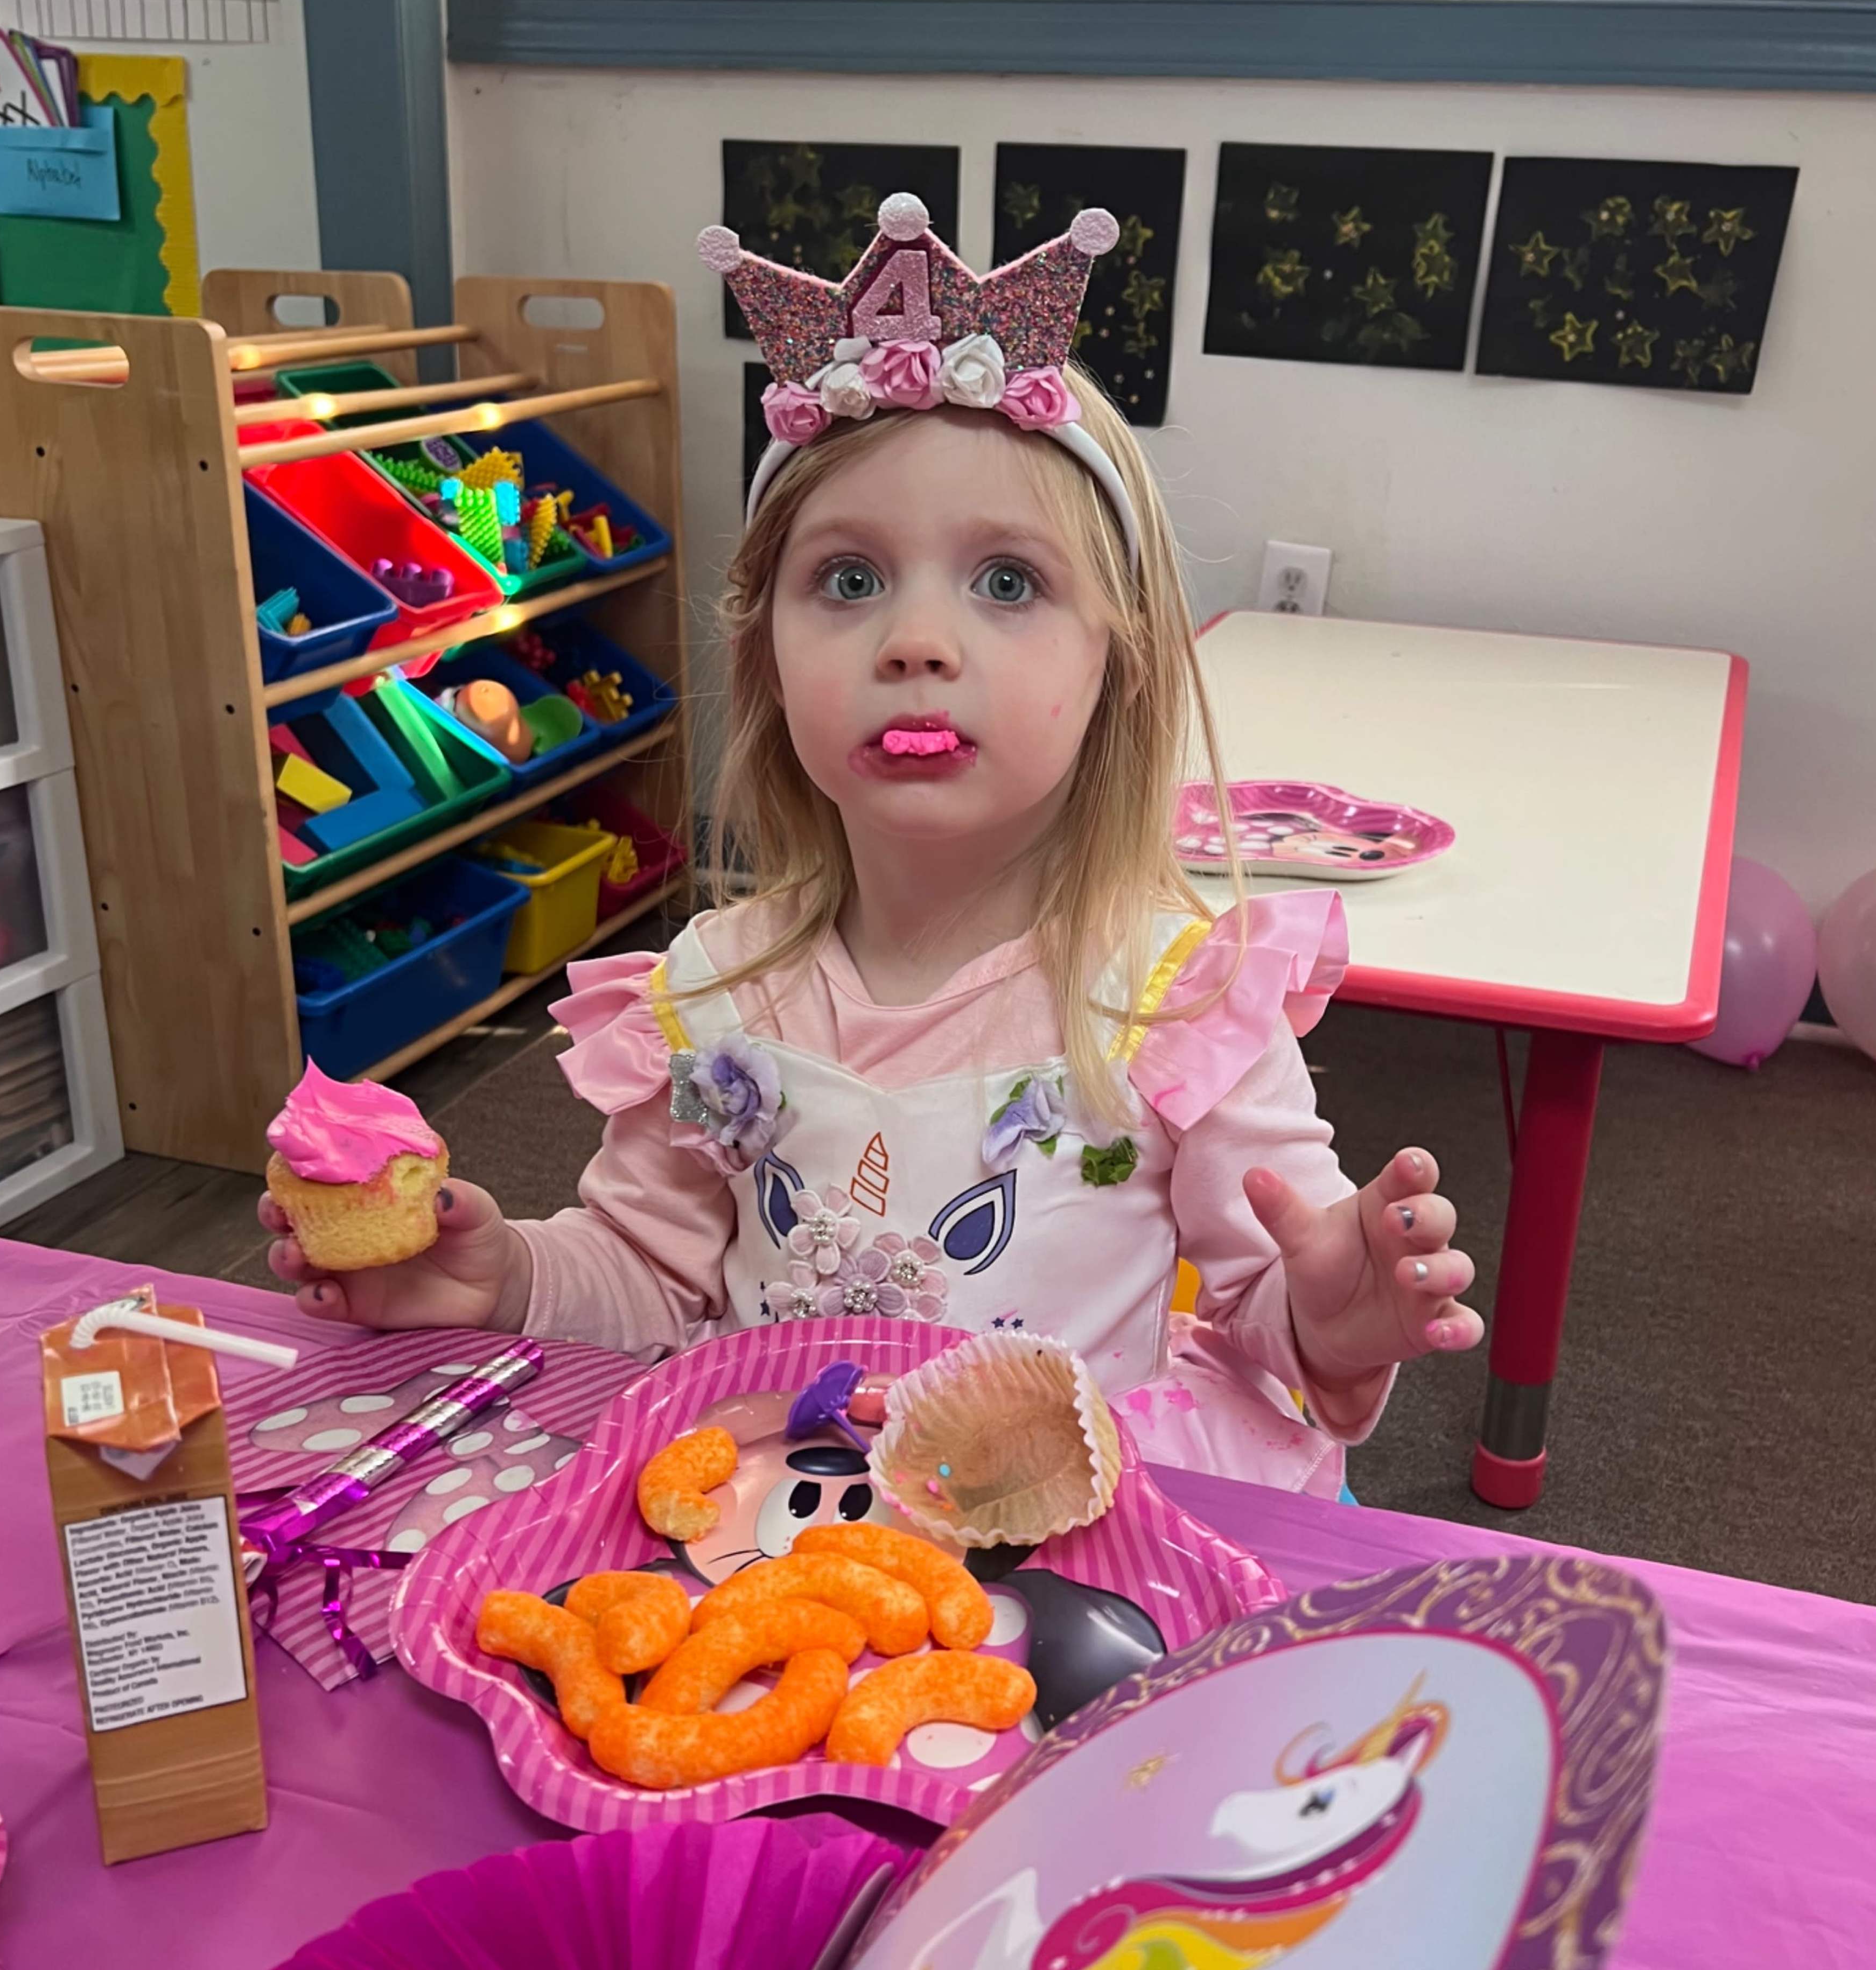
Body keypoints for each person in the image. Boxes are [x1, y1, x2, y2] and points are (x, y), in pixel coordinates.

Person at [263, 196, 1481, 1496]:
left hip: (1062, 1561)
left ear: (1116, 664)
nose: (916, 641)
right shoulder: (712, 994)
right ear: (770, 658)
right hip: (779, 1548)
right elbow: (649, 1284)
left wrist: (1327, 1318)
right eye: (848, 580)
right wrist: (506, 1272)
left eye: (1007, 583)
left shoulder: (1179, 1000)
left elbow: (1268, 1322)